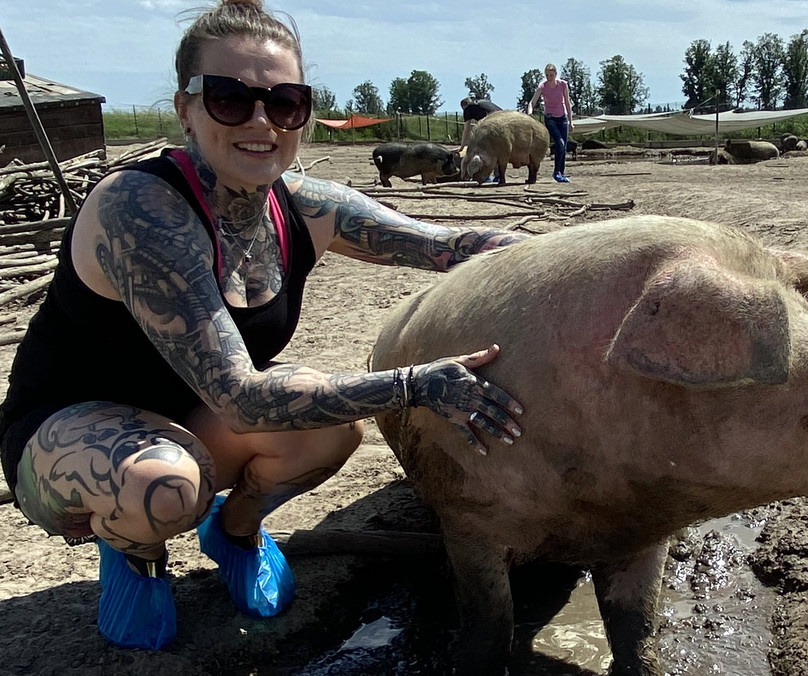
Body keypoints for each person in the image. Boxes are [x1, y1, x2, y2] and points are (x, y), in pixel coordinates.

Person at [0, 0, 525, 651]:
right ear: (186, 107)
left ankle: (236, 531)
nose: (260, 121)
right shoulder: (141, 209)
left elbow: (442, 245)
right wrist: (419, 384)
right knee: (166, 486)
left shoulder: (302, 206)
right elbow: (241, 397)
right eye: (228, 97)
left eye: (285, 103)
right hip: (70, 432)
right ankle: (134, 555)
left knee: (333, 430)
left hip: (191, 422)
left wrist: (576, 258)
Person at [526, 63, 573, 183]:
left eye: (551, 75)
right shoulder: (543, 86)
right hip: (550, 118)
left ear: (555, 74)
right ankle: (556, 172)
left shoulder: (563, 85)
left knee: (564, 147)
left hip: (563, 117)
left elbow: (567, 103)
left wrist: (570, 122)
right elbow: (532, 102)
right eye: (547, 75)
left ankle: (561, 173)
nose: (549, 77)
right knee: (560, 144)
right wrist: (530, 113)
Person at [459, 96, 503, 182]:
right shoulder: (483, 103)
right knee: (498, 151)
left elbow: (466, 130)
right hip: (502, 123)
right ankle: (499, 176)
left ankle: (485, 176)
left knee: (485, 151)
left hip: (491, 126)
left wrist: (462, 147)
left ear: (464, 106)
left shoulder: (468, 108)